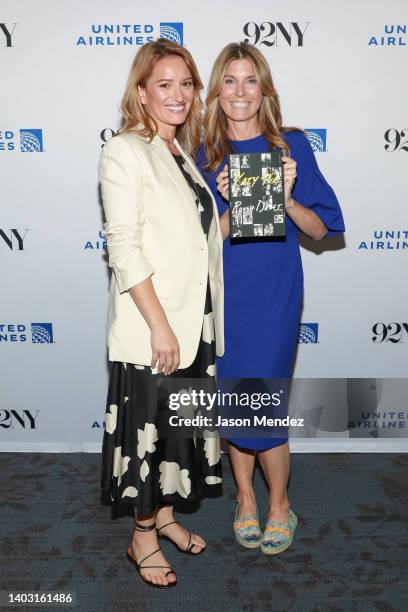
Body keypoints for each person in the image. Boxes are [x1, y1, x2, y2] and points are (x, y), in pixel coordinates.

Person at [197, 42, 344, 555]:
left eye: (251, 80)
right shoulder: (201, 154)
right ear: (216, 91)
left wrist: (283, 200)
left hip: (275, 294)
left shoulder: (292, 146)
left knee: (265, 403)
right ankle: (245, 499)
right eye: (230, 81)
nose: (240, 91)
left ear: (265, 89)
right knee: (236, 401)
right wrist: (234, 205)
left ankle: (280, 503)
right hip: (226, 294)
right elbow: (197, 244)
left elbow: (324, 227)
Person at [99, 39, 224, 588]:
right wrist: (160, 325)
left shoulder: (184, 156)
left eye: (186, 84)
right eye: (164, 85)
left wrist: (231, 202)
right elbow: (124, 247)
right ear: (142, 93)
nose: (177, 95)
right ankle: (141, 537)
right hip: (158, 326)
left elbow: (199, 245)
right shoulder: (125, 150)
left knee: (180, 432)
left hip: (195, 321)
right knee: (151, 433)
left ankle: (168, 518)